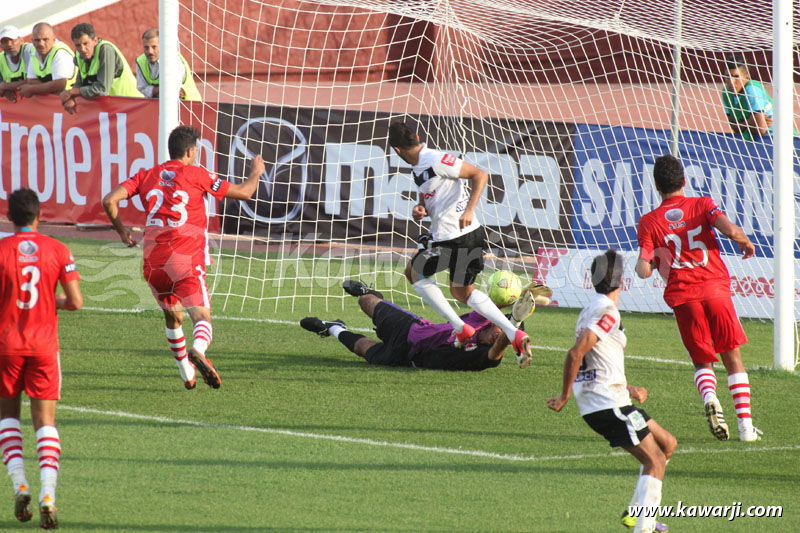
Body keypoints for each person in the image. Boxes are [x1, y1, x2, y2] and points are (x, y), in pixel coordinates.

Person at [102, 125, 264, 389]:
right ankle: (199, 350)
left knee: (173, 318)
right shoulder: (197, 174)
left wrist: (122, 233)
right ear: (190, 151)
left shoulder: (146, 175)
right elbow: (245, 192)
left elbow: (109, 200)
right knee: (201, 317)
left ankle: (186, 372)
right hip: (185, 259)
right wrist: (255, 173)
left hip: (153, 263)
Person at [547, 249, 676, 533]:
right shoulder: (607, 311)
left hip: (614, 398)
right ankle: (643, 527)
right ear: (622, 281)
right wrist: (564, 395)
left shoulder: (591, 309)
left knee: (667, 444)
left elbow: (597, 357)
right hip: (606, 404)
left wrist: (628, 386)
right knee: (654, 460)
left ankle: (636, 513)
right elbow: (575, 353)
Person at [636, 154, 761, 442]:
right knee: (732, 358)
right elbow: (730, 230)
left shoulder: (649, 222)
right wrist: (745, 242)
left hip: (683, 298)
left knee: (703, 361)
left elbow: (643, 270)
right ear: (684, 180)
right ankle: (745, 428)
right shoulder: (703, 204)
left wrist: (651, 261)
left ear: (657, 186)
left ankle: (710, 397)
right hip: (715, 289)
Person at [388, 121, 531, 366]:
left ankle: (460, 327)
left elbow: (479, 174)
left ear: (397, 150)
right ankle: (512, 332)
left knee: (415, 273)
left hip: (452, 238)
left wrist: (469, 209)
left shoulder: (435, 159)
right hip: (467, 236)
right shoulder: (419, 168)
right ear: (418, 135)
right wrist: (422, 208)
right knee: (462, 291)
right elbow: (432, 197)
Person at [0, 187, 83, 529]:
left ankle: (20, 484)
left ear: (8, 217)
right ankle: (48, 493)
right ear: (40, 216)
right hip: (45, 346)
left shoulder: (1, 250)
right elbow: (76, 301)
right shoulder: (58, 249)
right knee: (45, 421)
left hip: (6, 346)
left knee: (7, 416)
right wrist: (54, 302)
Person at [300, 280, 534, 370]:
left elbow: (499, 348)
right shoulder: (479, 320)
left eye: (501, 334)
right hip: (411, 329)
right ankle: (369, 291)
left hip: (406, 358)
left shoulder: (484, 356)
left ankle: (332, 327)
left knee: (364, 349)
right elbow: (490, 306)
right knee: (366, 301)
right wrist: (511, 315)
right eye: (498, 329)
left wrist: (515, 323)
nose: (497, 335)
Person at [59, 22, 141, 114]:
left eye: (86, 43)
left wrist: (72, 92)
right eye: (78, 45)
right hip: (113, 109)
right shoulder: (79, 55)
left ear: (95, 41)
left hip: (133, 106)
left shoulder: (106, 50)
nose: (82, 49)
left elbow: (102, 88)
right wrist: (70, 98)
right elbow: (80, 81)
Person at [135, 28, 201, 101]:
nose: (150, 51)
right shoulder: (140, 61)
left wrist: (154, 91)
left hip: (189, 104)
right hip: (158, 104)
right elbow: (142, 88)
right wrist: (162, 89)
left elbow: (173, 91)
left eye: (154, 47)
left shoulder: (174, 60)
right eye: (146, 47)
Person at [721, 55, 774, 141]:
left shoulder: (752, 90)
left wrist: (742, 124)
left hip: (773, 138)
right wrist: (750, 122)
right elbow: (733, 127)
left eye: (736, 76)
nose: (731, 81)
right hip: (752, 140)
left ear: (747, 77)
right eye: (728, 76)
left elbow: (760, 130)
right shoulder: (726, 92)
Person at [18, 22, 76, 99]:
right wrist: (50, 87)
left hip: (70, 100)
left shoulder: (60, 52)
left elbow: (60, 84)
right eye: (37, 40)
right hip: (55, 101)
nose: (41, 44)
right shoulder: (34, 52)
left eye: (45, 39)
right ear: (32, 41)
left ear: (54, 39)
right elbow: (31, 80)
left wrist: (31, 89)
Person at [0, 26, 34, 102]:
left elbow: (33, 81)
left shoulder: (29, 50)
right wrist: (5, 91)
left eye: (12, 40)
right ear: (0, 45)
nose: (9, 44)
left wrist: (5, 86)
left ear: (21, 40)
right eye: (4, 41)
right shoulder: (1, 59)